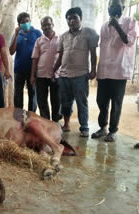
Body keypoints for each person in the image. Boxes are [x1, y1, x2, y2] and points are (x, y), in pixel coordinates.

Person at [91, 0, 138, 142]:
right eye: (111, 6)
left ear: (123, 8)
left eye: (117, 5)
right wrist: (98, 71)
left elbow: (129, 41)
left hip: (119, 71)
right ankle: (102, 127)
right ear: (108, 8)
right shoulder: (104, 26)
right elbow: (104, 48)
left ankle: (113, 131)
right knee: (101, 101)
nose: (113, 8)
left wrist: (117, 25)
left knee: (116, 103)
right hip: (104, 70)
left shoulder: (130, 21)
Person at [53, 7, 99, 137]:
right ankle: (66, 124)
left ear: (80, 19)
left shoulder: (89, 33)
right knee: (65, 102)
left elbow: (93, 54)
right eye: (69, 19)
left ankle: (84, 127)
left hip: (80, 75)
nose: (71, 21)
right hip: (64, 75)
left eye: (74, 18)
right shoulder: (63, 36)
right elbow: (61, 57)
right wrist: (53, 71)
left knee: (81, 102)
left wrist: (93, 69)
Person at [31, 16, 61, 122]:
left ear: (53, 25)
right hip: (41, 75)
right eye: (44, 25)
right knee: (42, 101)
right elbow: (35, 59)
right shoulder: (39, 41)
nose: (47, 27)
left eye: (49, 24)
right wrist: (32, 76)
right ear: (41, 27)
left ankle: (55, 122)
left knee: (56, 100)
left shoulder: (60, 39)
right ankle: (46, 122)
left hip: (57, 75)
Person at [9, 12, 41, 112]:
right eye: (23, 22)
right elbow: (11, 51)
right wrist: (16, 35)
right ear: (19, 25)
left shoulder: (37, 33)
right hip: (19, 69)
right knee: (18, 94)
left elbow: (42, 50)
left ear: (30, 21)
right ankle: (18, 116)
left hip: (33, 69)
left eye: (27, 21)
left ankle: (31, 116)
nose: (26, 23)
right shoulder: (16, 35)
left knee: (33, 93)